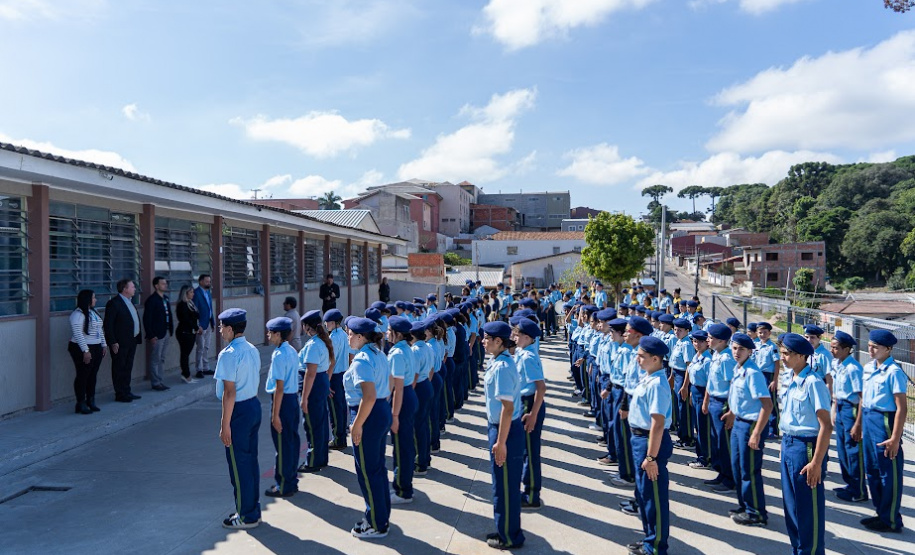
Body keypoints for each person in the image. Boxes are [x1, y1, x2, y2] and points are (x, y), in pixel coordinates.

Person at [778, 332, 831, 554]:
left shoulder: (813, 382)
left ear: (801, 356)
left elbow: (826, 426)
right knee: (792, 510)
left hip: (806, 448)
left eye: (786, 354)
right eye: (781, 353)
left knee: (808, 511)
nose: (782, 358)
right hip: (789, 445)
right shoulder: (790, 378)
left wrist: (817, 462)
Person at [344, 317, 392, 539]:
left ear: (361, 337)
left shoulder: (363, 359)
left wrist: (357, 425)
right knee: (377, 469)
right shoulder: (378, 353)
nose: (348, 337)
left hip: (368, 415)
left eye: (351, 333)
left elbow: (368, 397)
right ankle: (381, 517)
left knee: (367, 472)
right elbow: (388, 384)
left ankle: (375, 522)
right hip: (380, 410)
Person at [214, 308, 262, 529]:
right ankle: (252, 509)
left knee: (239, 466)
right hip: (253, 405)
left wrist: (225, 425)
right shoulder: (252, 349)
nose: (220, 331)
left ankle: (246, 516)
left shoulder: (229, 354)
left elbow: (229, 392)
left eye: (222, 326)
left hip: (239, 411)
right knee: (249, 462)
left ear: (231, 329)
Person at [626, 335, 673, 555]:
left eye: (642, 356)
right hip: (640, 440)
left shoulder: (657, 384)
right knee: (645, 495)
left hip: (650, 442)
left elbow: (658, 423)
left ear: (655, 359)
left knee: (654, 498)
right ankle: (648, 540)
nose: (638, 359)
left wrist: (651, 457)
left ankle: (656, 546)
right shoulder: (649, 377)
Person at [481, 321, 525, 550]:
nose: (483, 341)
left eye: (487, 338)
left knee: (505, 487)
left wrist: (501, 442)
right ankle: (505, 528)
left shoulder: (503, 367)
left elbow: (507, 408)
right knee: (502, 484)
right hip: (500, 428)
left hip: (504, 431)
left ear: (499, 342)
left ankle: (509, 536)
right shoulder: (498, 361)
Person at [860, 329, 907, 533]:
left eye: (875, 347)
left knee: (888, 472)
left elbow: (902, 407)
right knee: (872, 470)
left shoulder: (894, 372)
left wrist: (895, 438)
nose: (871, 350)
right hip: (869, 419)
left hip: (885, 422)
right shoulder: (869, 367)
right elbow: (864, 398)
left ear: (888, 349)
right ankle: (881, 513)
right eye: (869, 346)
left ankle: (892, 520)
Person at [724, 333, 773, 527]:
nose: (737, 352)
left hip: (751, 425)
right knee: (737, 467)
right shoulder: (739, 369)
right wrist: (732, 412)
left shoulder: (753, 373)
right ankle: (745, 506)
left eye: (741, 349)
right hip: (739, 423)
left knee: (749, 470)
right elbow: (740, 398)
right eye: (734, 348)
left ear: (750, 351)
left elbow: (767, 405)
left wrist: (756, 433)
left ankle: (756, 513)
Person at [512, 317, 547, 510]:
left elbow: (541, 388)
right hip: (524, 403)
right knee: (526, 450)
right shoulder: (522, 352)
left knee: (530, 451)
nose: (514, 338)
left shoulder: (528, 358)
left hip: (530, 404)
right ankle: (528, 490)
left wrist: (533, 414)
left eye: (517, 335)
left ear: (526, 337)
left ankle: (532, 494)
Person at [264, 317, 300, 498]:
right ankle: (292, 481)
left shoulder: (279, 355)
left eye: (270, 332)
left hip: (283, 401)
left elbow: (279, 387)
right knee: (291, 442)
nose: (268, 335)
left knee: (282, 445)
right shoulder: (292, 350)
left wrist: (275, 414)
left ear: (278, 334)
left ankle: (284, 485)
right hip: (292, 399)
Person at [830, 331, 867, 503]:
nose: (832, 351)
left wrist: (858, 424)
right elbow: (837, 393)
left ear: (846, 349)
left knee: (853, 450)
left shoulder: (854, 368)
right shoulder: (838, 364)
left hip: (852, 410)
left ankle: (858, 490)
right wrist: (834, 410)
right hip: (841, 408)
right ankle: (849, 485)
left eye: (836, 348)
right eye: (831, 347)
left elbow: (862, 398)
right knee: (843, 450)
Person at [298, 310, 334, 473]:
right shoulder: (322, 341)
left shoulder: (313, 345)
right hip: (320, 382)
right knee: (320, 423)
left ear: (306, 327)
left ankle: (313, 461)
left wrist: (304, 399)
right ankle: (321, 457)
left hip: (313, 385)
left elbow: (310, 373)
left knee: (312, 424)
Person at [387, 316, 418, 504]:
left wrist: (395, 414)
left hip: (402, 399)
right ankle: (403, 486)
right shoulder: (407, 349)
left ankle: (402, 490)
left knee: (401, 447)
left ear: (398, 334)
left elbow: (397, 387)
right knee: (405, 445)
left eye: (390, 331)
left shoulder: (398, 353)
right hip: (408, 396)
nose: (387, 333)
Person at [702, 323, 735, 493]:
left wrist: (731, 410)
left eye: (711, 338)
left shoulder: (728, 358)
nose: (708, 340)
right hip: (714, 401)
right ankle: (721, 474)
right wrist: (706, 400)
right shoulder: (716, 354)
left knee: (725, 443)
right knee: (716, 441)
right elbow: (710, 381)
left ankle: (730, 479)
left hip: (723, 403)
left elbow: (732, 385)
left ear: (722, 341)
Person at [103, 278, 142, 403]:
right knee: (119, 367)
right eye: (132, 287)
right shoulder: (114, 303)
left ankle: (127, 390)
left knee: (128, 367)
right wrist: (112, 342)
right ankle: (120, 393)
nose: (134, 289)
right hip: (120, 343)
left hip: (131, 340)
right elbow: (108, 325)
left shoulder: (130, 302)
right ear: (124, 289)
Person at [68, 289, 107, 414]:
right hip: (81, 348)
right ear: (87, 299)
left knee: (92, 375)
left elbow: (100, 329)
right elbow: (78, 333)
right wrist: (85, 350)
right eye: (94, 298)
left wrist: (103, 344)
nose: (95, 300)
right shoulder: (77, 314)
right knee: (83, 375)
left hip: (96, 347)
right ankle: (81, 402)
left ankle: (91, 400)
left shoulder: (93, 312)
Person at [686, 330, 713, 469]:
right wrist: (691, 393)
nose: (697, 344)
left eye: (700, 341)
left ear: (706, 343)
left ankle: (705, 458)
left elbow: (710, 383)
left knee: (703, 428)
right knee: (698, 426)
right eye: (695, 341)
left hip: (703, 394)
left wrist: (706, 401)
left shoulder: (707, 360)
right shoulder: (697, 356)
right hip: (695, 392)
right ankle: (701, 455)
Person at [143, 276, 174, 391]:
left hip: (165, 332)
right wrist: (151, 335)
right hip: (157, 334)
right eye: (162, 284)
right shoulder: (152, 300)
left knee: (162, 358)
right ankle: (155, 382)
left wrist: (170, 329)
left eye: (165, 283)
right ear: (156, 286)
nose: (165, 285)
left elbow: (169, 315)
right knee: (156, 358)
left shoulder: (165, 299)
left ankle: (160, 380)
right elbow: (147, 319)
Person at [324, 309, 349, 450]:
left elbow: (331, 362)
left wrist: (327, 380)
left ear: (333, 323)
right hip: (343, 374)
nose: (326, 325)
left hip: (334, 375)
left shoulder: (333, 337)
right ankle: (341, 436)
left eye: (327, 322)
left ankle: (337, 438)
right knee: (341, 406)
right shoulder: (344, 335)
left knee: (334, 408)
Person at [669, 318, 695, 449]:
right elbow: (674, 363)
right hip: (677, 376)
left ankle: (688, 438)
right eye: (675, 329)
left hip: (684, 378)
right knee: (679, 408)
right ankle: (682, 435)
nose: (677, 332)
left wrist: (685, 386)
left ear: (687, 331)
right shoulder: (678, 342)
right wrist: (671, 377)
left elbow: (689, 366)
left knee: (685, 409)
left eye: (680, 330)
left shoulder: (686, 345)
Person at [175, 285, 199, 383]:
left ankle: (185, 373)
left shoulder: (191, 303)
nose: (193, 294)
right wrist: (196, 327)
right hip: (184, 332)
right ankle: (186, 375)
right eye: (191, 292)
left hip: (191, 332)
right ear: (185, 293)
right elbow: (185, 319)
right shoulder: (182, 305)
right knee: (185, 354)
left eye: (193, 292)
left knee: (186, 353)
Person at [193, 274, 216, 376]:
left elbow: (210, 309)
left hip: (208, 323)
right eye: (207, 282)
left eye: (209, 282)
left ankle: (206, 367)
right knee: (200, 348)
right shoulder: (196, 293)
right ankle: (199, 369)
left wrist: (213, 322)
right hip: (201, 326)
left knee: (206, 347)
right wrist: (198, 325)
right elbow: (195, 311)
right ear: (201, 282)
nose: (209, 283)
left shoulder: (208, 293)